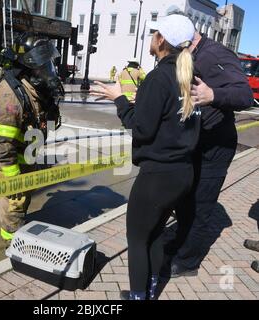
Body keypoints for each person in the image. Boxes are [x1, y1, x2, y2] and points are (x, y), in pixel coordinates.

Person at [91, 15, 200, 300]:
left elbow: (141, 129)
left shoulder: (158, 77)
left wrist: (119, 99)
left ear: (161, 40)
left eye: (154, 33)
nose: (151, 37)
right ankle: (150, 290)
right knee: (154, 234)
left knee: (137, 239)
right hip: (182, 174)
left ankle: (138, 296)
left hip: (158, 177)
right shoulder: (188, 76)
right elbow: (170, 118)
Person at [163, 28, 254, 278]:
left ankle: (188, 261)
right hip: (195, 143)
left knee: (200, 206)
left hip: (215, 147)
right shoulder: (189, 56)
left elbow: (245, 95)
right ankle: (181, 242)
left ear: (187, 41)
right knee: (183, 201)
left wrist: (213, 94)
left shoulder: (215, 54)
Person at [0, 32, 63, 247]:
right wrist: (14, 177)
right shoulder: (10, 96)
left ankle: (17, 232)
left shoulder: (35, 89)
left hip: (25, 156)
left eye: (48, 65)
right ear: (29, 68)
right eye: (42, 67)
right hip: (7, 163)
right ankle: (13, 246)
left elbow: (43, 123)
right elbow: (2, 142)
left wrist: (52, 103)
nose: (47, 71)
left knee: (22, 201)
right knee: (14, 204)